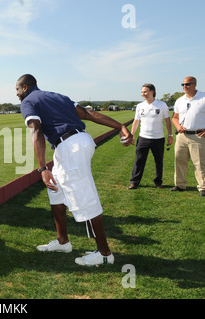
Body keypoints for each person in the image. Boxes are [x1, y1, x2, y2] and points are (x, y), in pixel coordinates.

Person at [16, 74, 132, 266]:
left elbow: (35, 130)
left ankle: (104, 253)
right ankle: (63, 242)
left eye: (17, 90)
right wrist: (119, 125)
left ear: (25, 88)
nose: (17, 94)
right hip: (75, 143)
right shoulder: (57, 96)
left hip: (70, 146)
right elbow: (87, 114)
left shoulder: (28, 101)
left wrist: (42, 168)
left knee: (85, 197)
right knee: (56, 191)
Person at [128, 84, 173, 189]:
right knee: (139, 161)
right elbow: (136, 121)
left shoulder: (162, 105)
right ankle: (134, 182)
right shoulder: (140, 106)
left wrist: (170, 135)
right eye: (142, 92)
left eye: (145, 92)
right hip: (143, 138)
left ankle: (158, 182)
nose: (143, 94)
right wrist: (132, 135)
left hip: (158, 138)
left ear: (152, 92)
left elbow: (167, 121)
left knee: (158, 161)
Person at [171, 76, 205, 197]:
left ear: (195, 84)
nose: (184, 86)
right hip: (182, 136)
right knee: (179, 160)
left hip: (198, 136)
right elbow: (175, 117)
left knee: (200, 163)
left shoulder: (203, 97)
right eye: (183, 84)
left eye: (187, 84)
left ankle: (203, 187)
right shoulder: (180, 100)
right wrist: (178, 126)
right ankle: (180, 185)